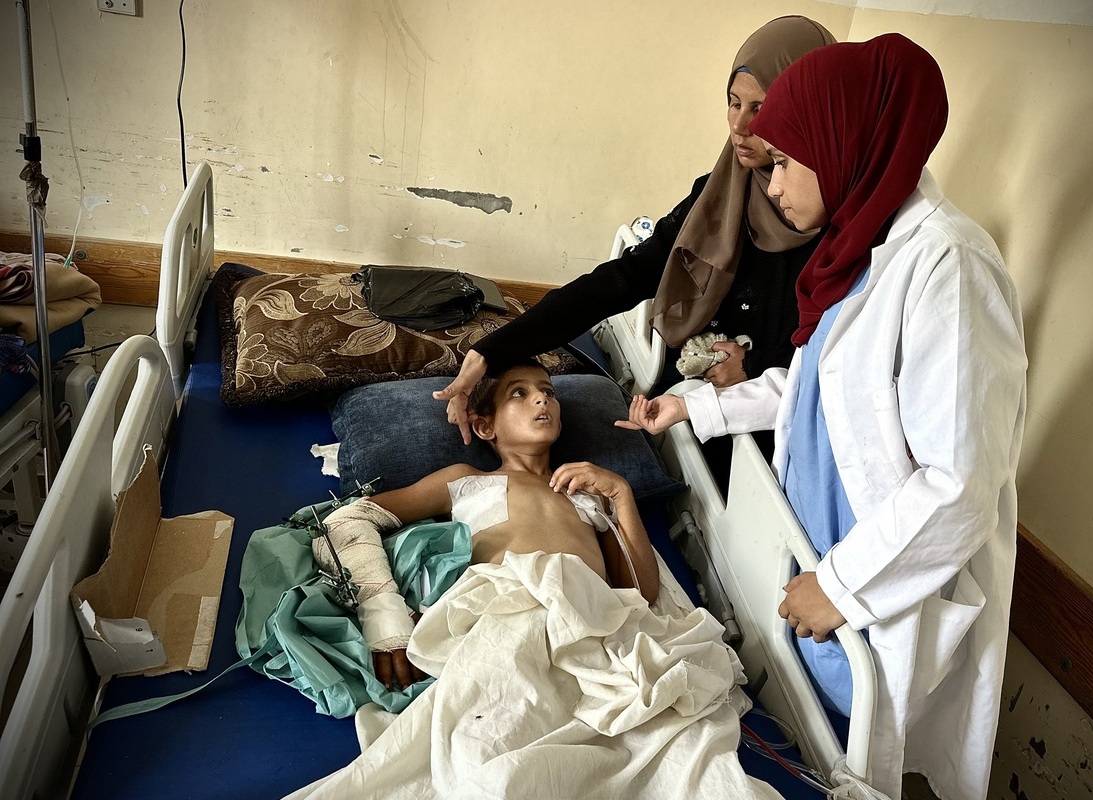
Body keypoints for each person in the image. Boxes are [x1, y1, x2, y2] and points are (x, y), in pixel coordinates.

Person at [617, 34, 1028, 800]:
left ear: (844, 143)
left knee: (867, 760)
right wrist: (697, 404)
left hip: (876, 583)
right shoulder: (856, 250)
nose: (770, 186)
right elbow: (811, 391)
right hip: (820, 558)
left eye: (782, 162)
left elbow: (961, 482)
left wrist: (839, 585)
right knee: (820, 736)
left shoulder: (952, 268)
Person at [434, 16, 836, 446]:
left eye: (761, 109)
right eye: (734, 103)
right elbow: (625, 278)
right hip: (688, 397)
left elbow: (834, 352)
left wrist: (753, 367)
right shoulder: (717, 195)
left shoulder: (837, 223)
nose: (739, 126)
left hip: (773, 424)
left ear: (804, 112)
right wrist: (492, 350)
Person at [313, 360, 661, 692]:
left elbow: (640, 593)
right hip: (506, 628)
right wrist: (385, 617)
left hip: (590, 629)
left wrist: (621, 493)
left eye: (548, 391)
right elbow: (348, 520)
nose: (542, 398)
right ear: (485, 426)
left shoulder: (589, 495)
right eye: (518, 393)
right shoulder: (467, 481)